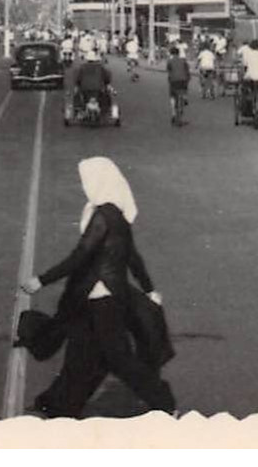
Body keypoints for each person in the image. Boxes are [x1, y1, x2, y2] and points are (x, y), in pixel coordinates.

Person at [21, 157, 175, 418]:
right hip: (96, 294)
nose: (84, 186)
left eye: (87, 181)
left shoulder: (103, 215)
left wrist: (41, 280)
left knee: (118, 358)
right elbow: (132, 257)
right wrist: (149, 290)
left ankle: (164, 403)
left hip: (103, 296)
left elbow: (80, 255)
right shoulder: (115, 213)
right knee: (79, 354)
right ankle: (56, 405)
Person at [74, 50, 114, 121]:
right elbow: (107, 77)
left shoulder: (82, 67)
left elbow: (78, 79)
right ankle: (105, 111)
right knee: (106, 97)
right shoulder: (100, 67)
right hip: (98, 88)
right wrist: (107, 83)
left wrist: (77, 85)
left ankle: (79, 111)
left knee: (78, 96)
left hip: (85, 88)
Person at [166, 48, 191, 126]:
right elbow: (187, 71)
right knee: (183, 91)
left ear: (171, 53)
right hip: (183, 81)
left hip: (174, 81)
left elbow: (168, 71)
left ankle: (173, 113)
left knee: (172, 96)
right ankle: (184, 97)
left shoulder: (169, 61)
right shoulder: (183, 61)